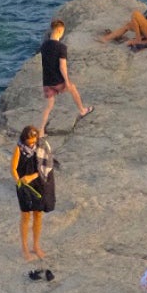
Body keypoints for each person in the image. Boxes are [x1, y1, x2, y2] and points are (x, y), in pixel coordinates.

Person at [12, 124, 58, 262]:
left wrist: (31, 177)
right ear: (24, 139)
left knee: (38, 214)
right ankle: (25, 248)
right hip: (24, 185)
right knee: (25, 216)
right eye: (29, 142)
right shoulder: (19, 148)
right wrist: (19, 181)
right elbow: (13, 168)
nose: (32, 144)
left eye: (34, 141)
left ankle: (36, 246)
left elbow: (47, 167)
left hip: (39, 182)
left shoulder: (42, 146)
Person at [36, 19, 90, 130]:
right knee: (73, 88)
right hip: (57, 81)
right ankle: (82, 110)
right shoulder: (61, 47)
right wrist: (67, 82)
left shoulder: (44, 46)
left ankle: (41, 131)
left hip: (47, 81)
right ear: (60, 31)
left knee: (48, 106)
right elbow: (62, 67)